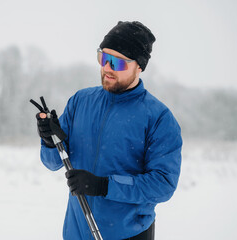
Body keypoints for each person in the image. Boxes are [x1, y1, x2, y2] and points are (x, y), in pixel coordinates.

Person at [35, 21, 182, 240]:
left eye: (117, 63)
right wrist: (49, 140)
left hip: (128, 235)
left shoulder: (158, 118)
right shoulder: (80, 102)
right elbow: (53, 162)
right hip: (76, 233)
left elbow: (163, 185)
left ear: (139, 66)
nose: (107, 68)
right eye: (103, 58)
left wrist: (105, 186)